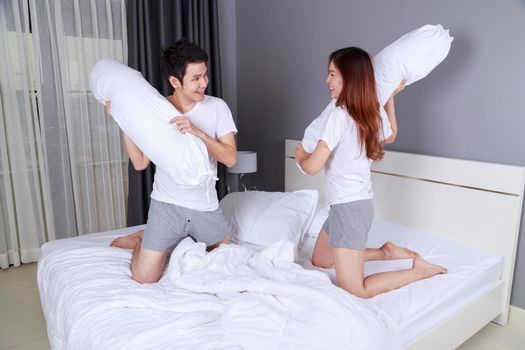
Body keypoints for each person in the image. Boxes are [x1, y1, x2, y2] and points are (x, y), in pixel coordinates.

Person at [295, 47, 446, 299]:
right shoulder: (370, 114)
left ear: (349, 77)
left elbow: (312, 167)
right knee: (321, 259)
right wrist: (389, 97)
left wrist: (300, 155)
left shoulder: (338, 116)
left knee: (356, 289)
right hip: (350, 206)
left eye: (332, 74)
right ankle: (383, 252)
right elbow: (391, 135)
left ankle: (420, 270)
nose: (327, 81)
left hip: (349, 210)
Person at [108, 38, 237, 284]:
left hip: (205, 208)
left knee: (226, 265)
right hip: (166, 205)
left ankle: (161, 238)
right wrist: (124, 120)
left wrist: (197, 132)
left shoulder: (218, 108)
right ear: (175, 82)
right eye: (196, 78)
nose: (204, 84)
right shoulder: (157, 110)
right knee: (144, 278)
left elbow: (230, 158)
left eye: (205, 75)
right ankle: (141, 239)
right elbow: (140, 163)